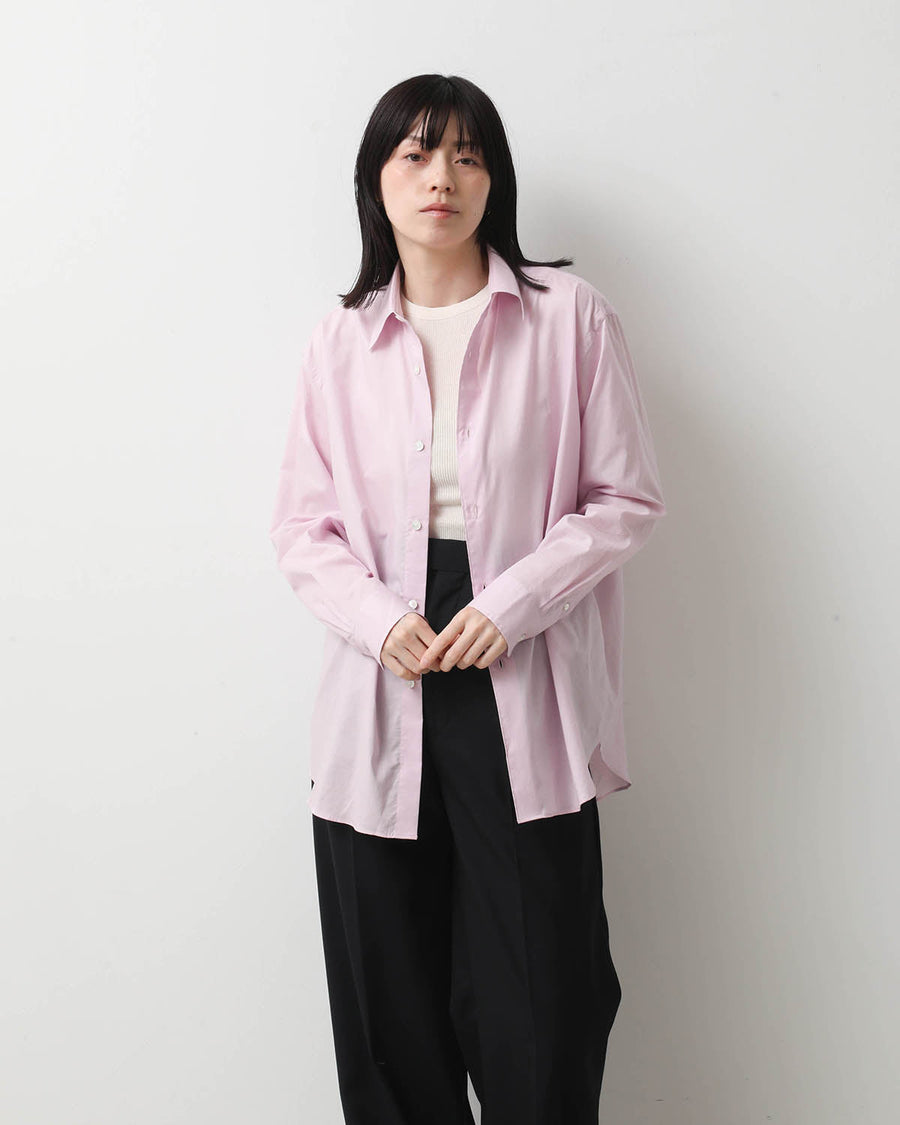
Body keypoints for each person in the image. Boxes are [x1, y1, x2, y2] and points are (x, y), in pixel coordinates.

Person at [269, 73, 667, 1125]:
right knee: (387, 993)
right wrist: (378, 621)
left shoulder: (570, 319)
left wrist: (514, 602)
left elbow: (625, 497)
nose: (441, 176)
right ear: (376, 181)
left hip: (520, 661)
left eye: (467, 154)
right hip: (382, 668)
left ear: (496, 180)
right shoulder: (339, 341)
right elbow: (303, 528)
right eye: (415, 154)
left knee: (545, 987)